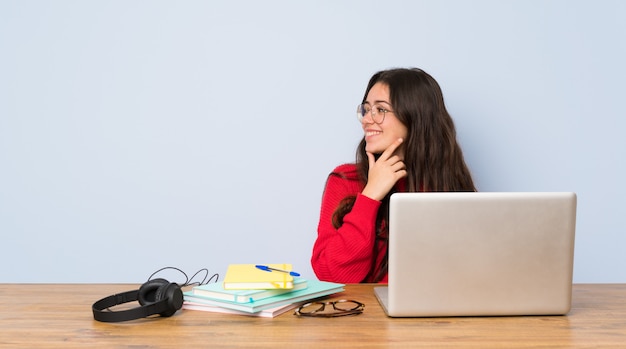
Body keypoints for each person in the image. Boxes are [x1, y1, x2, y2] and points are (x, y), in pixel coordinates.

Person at [311, 68, 476, 283]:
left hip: (432, 313)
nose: (367, 120)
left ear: (415, 117)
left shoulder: (447, 183)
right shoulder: (346, 179)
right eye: (366, 109)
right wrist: (370, 196)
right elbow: (330, 274)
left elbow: (466, 273)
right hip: (363, 314)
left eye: (380, 109)